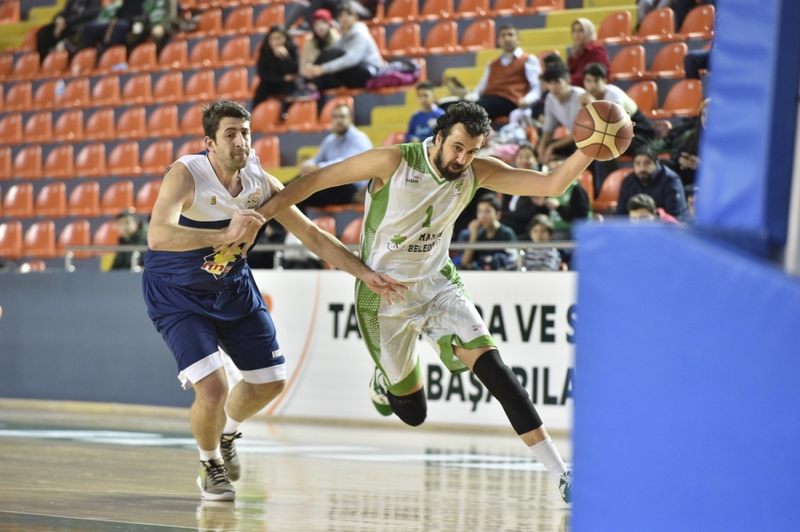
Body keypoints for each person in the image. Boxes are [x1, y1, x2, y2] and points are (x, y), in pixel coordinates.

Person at [250, 102, 624, 503]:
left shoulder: (476, 172)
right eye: (458, 148)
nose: (462, 159)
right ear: (440, 138)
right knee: (413, 413)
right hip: (383, 297)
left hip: (438, 285)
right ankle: (385, 381)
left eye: (473, 151)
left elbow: (551, 185)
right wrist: (259, 217)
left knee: (497, 372)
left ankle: (562, 474)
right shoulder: (392, 161)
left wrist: (592, 145)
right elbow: (317, 180)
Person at [142, 100, 405, 501]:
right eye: (230, 134)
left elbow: (313, 236)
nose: (240, 141)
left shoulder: (259, 182)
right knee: (212, 387)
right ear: (208, 142)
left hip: (232, 287)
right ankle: (209, 462)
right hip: (178, 293)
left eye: (245, 132)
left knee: (270, 382)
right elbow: (158, 236)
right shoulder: (186, 174)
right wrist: (224, 235)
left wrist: (364, 272)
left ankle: (227, 432)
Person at [297, 103, 373, 207]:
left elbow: (346, 164)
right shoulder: (330, 140)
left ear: (350, 119)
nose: (338, 120)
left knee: (301, 193)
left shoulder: (359, 138)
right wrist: (307, 165)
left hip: (352, 188)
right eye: (335, 117)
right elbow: (316, 160)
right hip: (333, 184)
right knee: (295, 186)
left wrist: (317, 168)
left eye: (342, 116)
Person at [301, 1, 383, 91]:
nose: (344, 18)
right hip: (357, 71)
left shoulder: (360, 33)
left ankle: (311, 85)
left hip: (370, 73)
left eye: (348, 15)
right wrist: (314, 69)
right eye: (341, 16)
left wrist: (322, 69)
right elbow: (329, 53)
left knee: (334, 57)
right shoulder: (346, 34)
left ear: (355, 17)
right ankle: (310, 84)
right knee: (327, 54)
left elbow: (351, 59)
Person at [470, 24, 541, 122]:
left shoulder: (528, 59)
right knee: (451, 105)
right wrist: (471, 97)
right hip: (489, 100)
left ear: (518, 39)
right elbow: (480, 88)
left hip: (510, 101)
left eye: (510, 35)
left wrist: (527, 100)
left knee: (471, 110)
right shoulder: (492, 64)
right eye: (503, 36)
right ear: (498, 41)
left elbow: (537, 87)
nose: (507, 38)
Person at [581, 62, 655, 153]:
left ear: (604, 81)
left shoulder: (614, 96)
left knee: (605, 146)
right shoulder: (584, 97)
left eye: (596, 81)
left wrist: (593, 105)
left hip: (640, 133)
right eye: (588, 80)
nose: (592, 85)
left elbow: (612, 126)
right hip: (620, 135)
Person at [615, 146, 689, 221]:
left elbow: (676, 216)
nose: (642, 168)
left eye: (647, 163)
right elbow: (620, 215)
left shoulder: (671, 180)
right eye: (637, 164)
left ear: (656, 163)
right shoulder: (628, 181)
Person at [537, 63, 585, 166]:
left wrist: (552, 146)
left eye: (557, 82)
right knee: (543, 147)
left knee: (579, 147)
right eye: (549, 83)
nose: (553, 87)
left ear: (568, 80)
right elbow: (548, 129)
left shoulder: (581, 97)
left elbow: (580, 133)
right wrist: (541, 147)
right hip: (572, 139)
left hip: (586, 138)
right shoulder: (550, 98)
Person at [458, 193, 517, 270]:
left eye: (487, 211)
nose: (483, 216)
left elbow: (512, 261)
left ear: (498, 214)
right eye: (480, 211)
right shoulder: (469, 234)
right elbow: (464, 263)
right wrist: (473, 236)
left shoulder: (506, 233)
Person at [251, 26, 300, 111]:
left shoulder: (292, 49)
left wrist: (285, 58)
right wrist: (282, 78)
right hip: (272, 82)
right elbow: (262, 74)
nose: (276, 42)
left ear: (285, 38)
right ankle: (253, 116)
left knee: (292, 89)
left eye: (279, 38)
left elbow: (295, 71)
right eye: (273, 39)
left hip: (288, 84)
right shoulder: (265, 51)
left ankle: (286, 116)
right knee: (261, 89)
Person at [35, 0, 101, 60]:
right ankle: (43, 61)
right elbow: (64, 12)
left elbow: (91, 14)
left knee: (75, 34)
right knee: (43, 33)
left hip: (78, 26)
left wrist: (67, 22)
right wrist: (58, 19)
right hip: (65, 25)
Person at [567, 18, 610, 86]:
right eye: (574, 31)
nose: (576, 35)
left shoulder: (597, 51)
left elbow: (594, 77)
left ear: (589, 32)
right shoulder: (575, 53)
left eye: (581, 31)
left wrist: (566, 80)